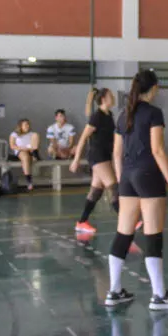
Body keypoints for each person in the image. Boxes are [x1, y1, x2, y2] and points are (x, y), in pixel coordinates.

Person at [106, 70, 168, 311]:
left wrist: (121, 182)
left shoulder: (123, 115)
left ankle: (114, 291)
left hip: (128, 176)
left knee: (123, 234)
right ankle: (159, 296)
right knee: (153, 235)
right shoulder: (154, 113)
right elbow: (158, 151)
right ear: (154, 88)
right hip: (148, 174)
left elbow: (116, 154)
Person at [72, 88, 119, 234]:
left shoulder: (109, 115)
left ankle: (82, 222)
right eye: (110, 95)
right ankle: (128, 221)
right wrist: (76, 159)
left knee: (96, 191)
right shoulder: (96, 116)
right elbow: (83, 138)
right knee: (113, 187)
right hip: (96, 156)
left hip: (105, 155)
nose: (113, 97)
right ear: (103, 99)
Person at [9, 119, 40, 191]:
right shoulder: (14, 134)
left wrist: (31, 149)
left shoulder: (31, 134)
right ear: (20, 126)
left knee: (36, 134)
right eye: (25, 125)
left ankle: (34, 155)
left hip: (31, 150)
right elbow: (12, 146)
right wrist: (23, 148)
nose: (27, 126)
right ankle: (29, 181)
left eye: (28, 124)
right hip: (21, 150)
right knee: (26, 157)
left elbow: (35, 145)